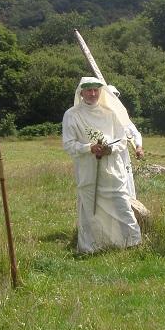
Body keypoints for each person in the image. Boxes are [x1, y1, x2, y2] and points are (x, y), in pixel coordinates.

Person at [62, 77, 141, 254]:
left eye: (95, 90)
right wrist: (88, 148)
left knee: (121, 204)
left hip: (112, 170)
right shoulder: (72, 115)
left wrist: (109, 149)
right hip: (88, 171)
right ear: (81, 93)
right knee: (91, 210)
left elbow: (122, 140)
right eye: (88, 90)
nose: (92, 93)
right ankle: (94, 246)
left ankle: (131, 242)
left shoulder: (110, 113)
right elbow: (68, 144)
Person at [106, 85, 144, 199]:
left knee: (126, 178)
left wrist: (138, 147)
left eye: (115, 96)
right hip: (106, 155)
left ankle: (129, 202)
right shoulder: (99, 115)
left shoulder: (122, 116)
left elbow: (135, 133)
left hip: (123, 154)